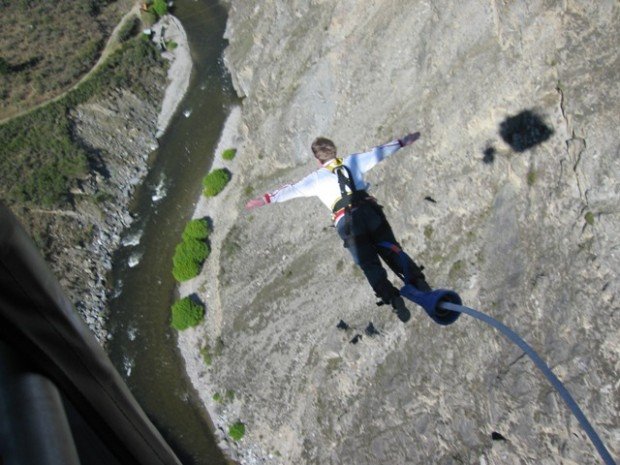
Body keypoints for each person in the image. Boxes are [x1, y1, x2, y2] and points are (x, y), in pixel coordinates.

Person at [245, 133, 431, 322]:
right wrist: (401, 142)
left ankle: (392, 298)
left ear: (318, 160)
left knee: (369, 264)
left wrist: (265, 199)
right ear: (335, 151)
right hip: (369, 211)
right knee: (392, 249)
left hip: (347, 222)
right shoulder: (353, 161)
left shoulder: (316, 179)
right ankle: (418, 282)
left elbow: (291, 189)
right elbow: (379, 152)